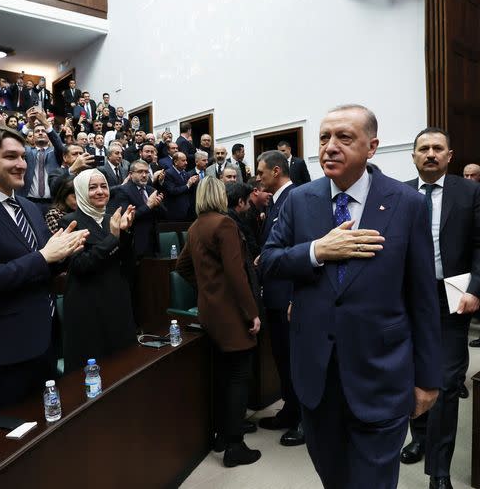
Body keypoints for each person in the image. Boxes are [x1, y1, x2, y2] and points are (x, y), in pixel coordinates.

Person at [261, 104, 441, 488]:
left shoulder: (406, 203)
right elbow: (269, 263)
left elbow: (423, 296)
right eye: (324, 137)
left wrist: (428, 378)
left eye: (344, 137)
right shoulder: (299, 199)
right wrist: (316, 251)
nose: (330, 146)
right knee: (335, 478)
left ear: (372, 146)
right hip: (317, 379)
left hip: (381, 376)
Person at [0, 126, 88, 413]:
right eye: (11, 156)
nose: (22, 164)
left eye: (23, 156)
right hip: (5, 350)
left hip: (44, 338)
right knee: (13, 441)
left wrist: (66, 252)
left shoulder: (28, 206)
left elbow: (44, 264)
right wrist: (44, 257)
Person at [398, 127, 480, 489]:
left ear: (449, 155)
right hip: (406, 299)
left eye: (437, 148)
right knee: (411, 373)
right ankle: (419, 437)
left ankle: (440, 470)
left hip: (453, 294)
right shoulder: (398, 194)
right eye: (423, 148)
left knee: (446, 383)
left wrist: (476, 288)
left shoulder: (470, 191)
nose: (430, 153)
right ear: (413, 156)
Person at [175, 176, 262, 467]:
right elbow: (237, 275)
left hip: (209, 313)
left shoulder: (196, 226)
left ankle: (223, 436)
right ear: (220, 196)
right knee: (238, 377)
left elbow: (181, 266)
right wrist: (252, 312)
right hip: (232, 314)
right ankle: (235, 447)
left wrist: (207, 288)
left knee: (223, 376)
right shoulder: (224, 224)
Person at [59, 169, 137, 372]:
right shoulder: (70, 222)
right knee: (92, 370)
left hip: (117, 300)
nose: (100, 191)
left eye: (103, 186)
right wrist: (113, 237)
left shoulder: (113, 216)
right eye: (92, 187)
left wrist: (126, 233)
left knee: (122, 366)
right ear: (81, 192)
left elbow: (128, 263)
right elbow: (81, 266)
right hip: (87, 305)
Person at [253, 150, 304, 446]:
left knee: (297, 361)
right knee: (283, 360)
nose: (258, 178)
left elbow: (301, 251)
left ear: (275, 171)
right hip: (274, 295)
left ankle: (304, 420)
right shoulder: (276, 201)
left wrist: (295, 297)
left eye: (261, 172)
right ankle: (290, 409)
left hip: (288, 297)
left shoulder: (295, 198)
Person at [107, 159, 164, 259]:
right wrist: (148, 206)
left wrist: (158, 205)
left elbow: (164, 214)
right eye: (140, 172)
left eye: (146, 172)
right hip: (134, 243)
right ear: (131, 174)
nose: (144, 175)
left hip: (153, 241)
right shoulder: (123, 190)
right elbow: (126, 218)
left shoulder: (152, 190)